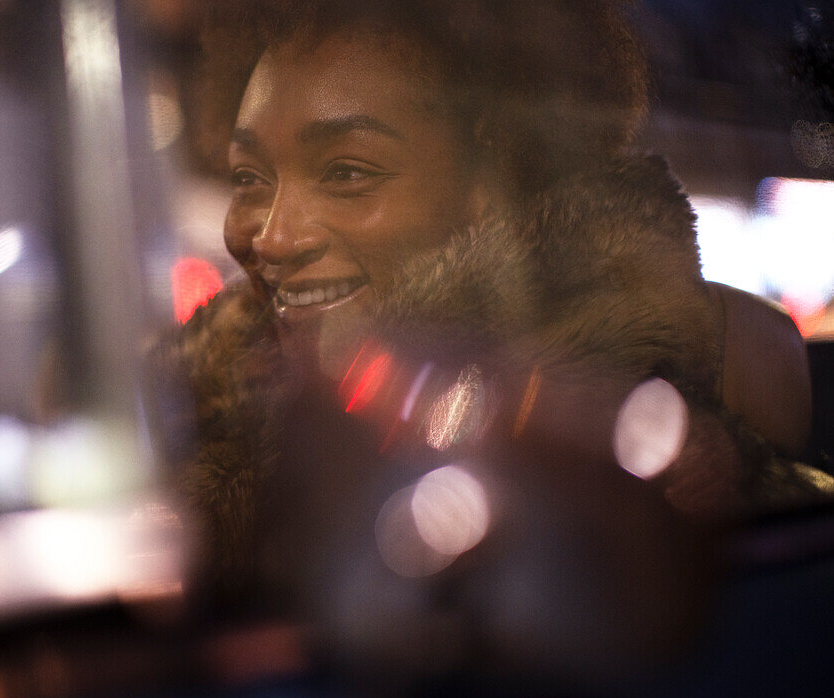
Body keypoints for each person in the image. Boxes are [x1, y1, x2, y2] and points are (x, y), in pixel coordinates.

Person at [151, 0, 832, 604]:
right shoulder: (180, 424)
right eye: (248, 177)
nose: (270, 236)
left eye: (346, 173)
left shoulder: (628, 471)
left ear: (499, 182)